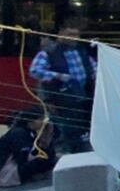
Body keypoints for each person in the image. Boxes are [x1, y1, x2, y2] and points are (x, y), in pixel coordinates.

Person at [29, 24, 96, 152]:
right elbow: (35, 71)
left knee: (83, 128)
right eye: (70, 34)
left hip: (82, 96)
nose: (74, 38)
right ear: (60, 35)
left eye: (76, 35)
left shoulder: (82, 51)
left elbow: (94, 68)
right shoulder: (49, 52)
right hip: (60, 99)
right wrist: (58, 76)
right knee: (67, 130)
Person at [0, 107, 56, 187]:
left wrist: (47, 136)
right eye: (41, 119)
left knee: (48, 158)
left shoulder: (29, 131)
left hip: (10, 168)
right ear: (31, 121)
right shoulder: (19, 133)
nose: (44, 122)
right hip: (2, 175)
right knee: (43, 161)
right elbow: (23, 157)